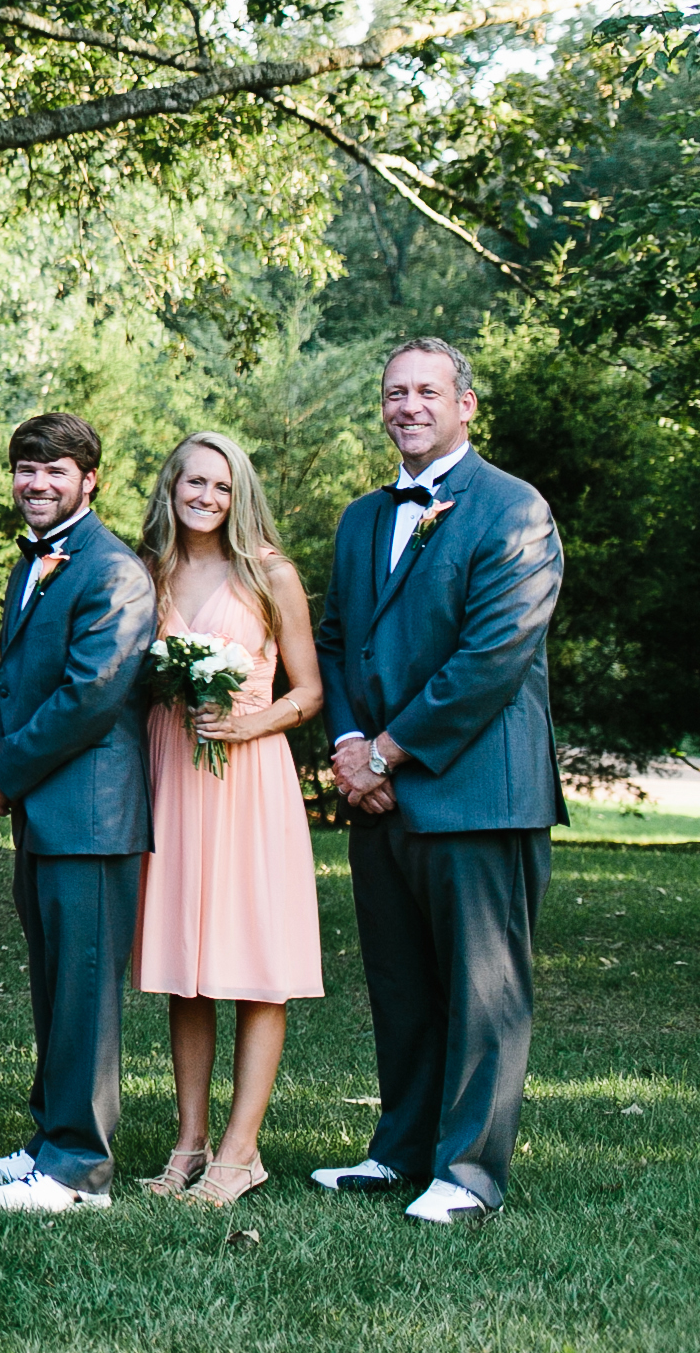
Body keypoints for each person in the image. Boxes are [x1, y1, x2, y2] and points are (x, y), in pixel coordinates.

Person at [312, 338, 564, 1225]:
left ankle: (468, 1175)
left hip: (477, 794)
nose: (407, 405)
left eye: (426, 391)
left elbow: (489, 660)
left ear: (466, 405)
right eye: (394, 392)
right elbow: (336, 640)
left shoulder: (514, 510)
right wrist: (348, 743)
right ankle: (400, 1153)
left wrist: (385, 753)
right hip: (380, 796)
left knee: (482, 991)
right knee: (403, 983)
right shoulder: (360, 519)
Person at [129, 432, 326, 1207]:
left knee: (255, 967)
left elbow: (308, 691)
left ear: (238, 493)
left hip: (248, 779)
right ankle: (189, 1145)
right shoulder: (150, 573)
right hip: (174, 773)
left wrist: (248, 724)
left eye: (221, 485)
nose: (206, 497)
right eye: (193, 483)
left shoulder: (270, 574)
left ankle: (242, 1152)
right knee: (188, 970)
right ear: (171, 487)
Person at [0, 412, 158, 1213]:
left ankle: (80, 1171)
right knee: (52, 982)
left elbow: (88, 697)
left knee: (84, 989)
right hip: (45, 810)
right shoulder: (37, 564)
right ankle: (49, 1138)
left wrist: (5, 769)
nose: (36, 484)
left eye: (55, 470)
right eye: (25, 469)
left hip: (90, 812)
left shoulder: (113, 571)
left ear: (91, 481)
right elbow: (17, 680)